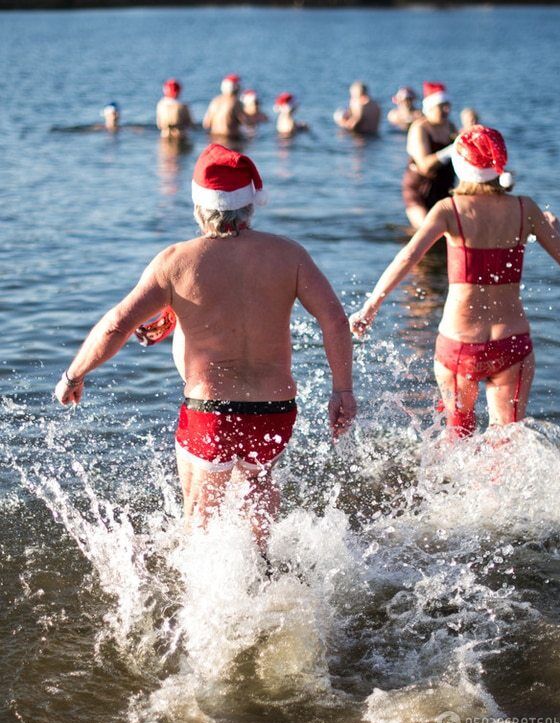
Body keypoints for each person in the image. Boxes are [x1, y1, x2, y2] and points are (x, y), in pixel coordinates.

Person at [54, 144, 356, 545]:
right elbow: (334, 320)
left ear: (199, 207)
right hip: (275, 410)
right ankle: (266, 575)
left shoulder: (177, 262)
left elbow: (116, 325)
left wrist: (74, 374)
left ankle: (203, 602)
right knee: (259, 491)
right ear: (249, 205)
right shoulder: (288, 254)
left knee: (199, 518)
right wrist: (343, 390)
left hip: (210, 412)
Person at [350, 125, 560, 437]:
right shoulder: (526, 208)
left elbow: (407, 257)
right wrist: (557, 232)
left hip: (460, 344)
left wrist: (370, 307)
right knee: (507, 438)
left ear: (460, 165)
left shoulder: (450, 210)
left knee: (459, 435)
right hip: (511, 342)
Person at [402, 82, 458, 230]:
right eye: (442, 106)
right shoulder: (420, 128)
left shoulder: (450, 126)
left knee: (449, 232)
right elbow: (424, 166)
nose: (447, 110)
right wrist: (451, 149)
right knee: (426, 230)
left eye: (448, 105)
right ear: (430, 107)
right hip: (419, 189)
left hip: (444, 188)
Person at [202, 74, 247, 140]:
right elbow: (245, 122)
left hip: (213, 137)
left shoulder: (215, 101)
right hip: (230, 138)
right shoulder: (235, 102)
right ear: (237, 87)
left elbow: (206, 124)